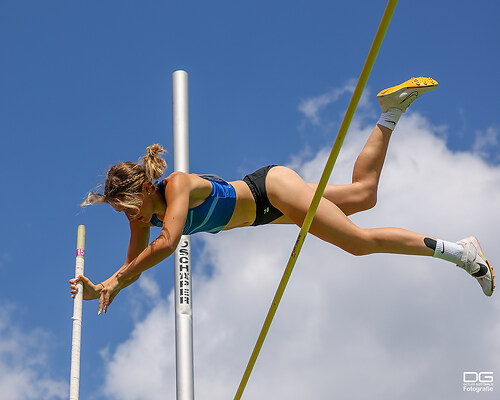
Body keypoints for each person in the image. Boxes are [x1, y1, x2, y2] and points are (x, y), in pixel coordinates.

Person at [69, 77, 494, 315]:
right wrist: (102, 288)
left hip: (269, 187)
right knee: (364, 195)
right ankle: (391, 109)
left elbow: (168, 243)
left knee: (357, 243)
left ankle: (462, 253)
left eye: (129, 207)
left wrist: (116, 279)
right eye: (124, 212)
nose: (131, 217)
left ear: (144, 188)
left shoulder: (176, 185)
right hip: (267, 213)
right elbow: (135, 266)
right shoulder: (141, 217)